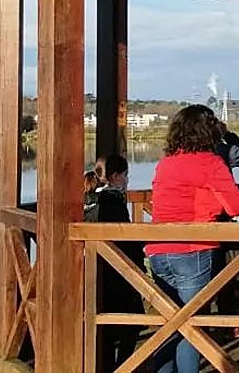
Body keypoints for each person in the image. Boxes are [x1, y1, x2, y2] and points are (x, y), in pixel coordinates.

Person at [147, 105, 239, 373]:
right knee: (192, 325)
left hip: (157, 250)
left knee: (170, 323)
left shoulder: (165, 162)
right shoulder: (210, 161)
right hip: (193, 249)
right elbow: (237, 206)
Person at [84, 154, 143, 373]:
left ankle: (105, 366)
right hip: (117, 273)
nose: (127, 180)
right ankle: (123, 367)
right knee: (132, 323)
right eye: (126, 175)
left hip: (95, 271)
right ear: (117, 176)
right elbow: (124, 237)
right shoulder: (113, 201)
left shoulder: (87, 198)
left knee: (105, 329)